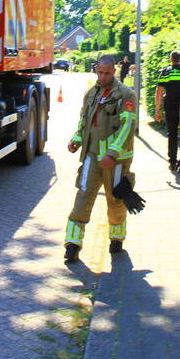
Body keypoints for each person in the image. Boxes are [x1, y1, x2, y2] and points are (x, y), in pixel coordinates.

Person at [64, 54, 145, 263]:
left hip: (116, 161)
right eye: (100, 72)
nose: (103, 76)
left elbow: (128, 127)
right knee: (83, 196)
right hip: (91, 157)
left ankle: (116, 240)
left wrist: (112, 153)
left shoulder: (126, 95)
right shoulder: (91, 93)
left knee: (116, 201)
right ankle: (72, 245)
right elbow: (84, 121)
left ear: (114, 71)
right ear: (96, 70)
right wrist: (76, 139)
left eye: (107, 73)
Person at [154, 50, 180, 173]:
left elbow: (159, 92)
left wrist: (157, 110)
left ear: (171, 59)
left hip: (170, 107)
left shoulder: (166, 72)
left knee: (172, 133)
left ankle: (172, 161)